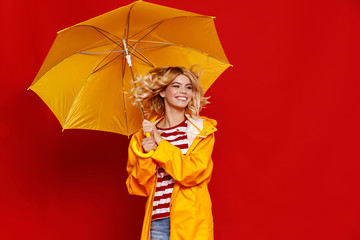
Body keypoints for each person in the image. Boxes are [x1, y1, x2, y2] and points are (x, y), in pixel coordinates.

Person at [126, 66, 217, 240]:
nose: (183, 91)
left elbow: (191, 174)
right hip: (157, 222)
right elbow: (138, 187)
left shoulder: (201, 131)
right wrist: (146, 154)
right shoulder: (143, 135)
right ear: (162, 92)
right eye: (176, 86)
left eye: (188, 87)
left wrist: (160, 143)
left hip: (191, 221)